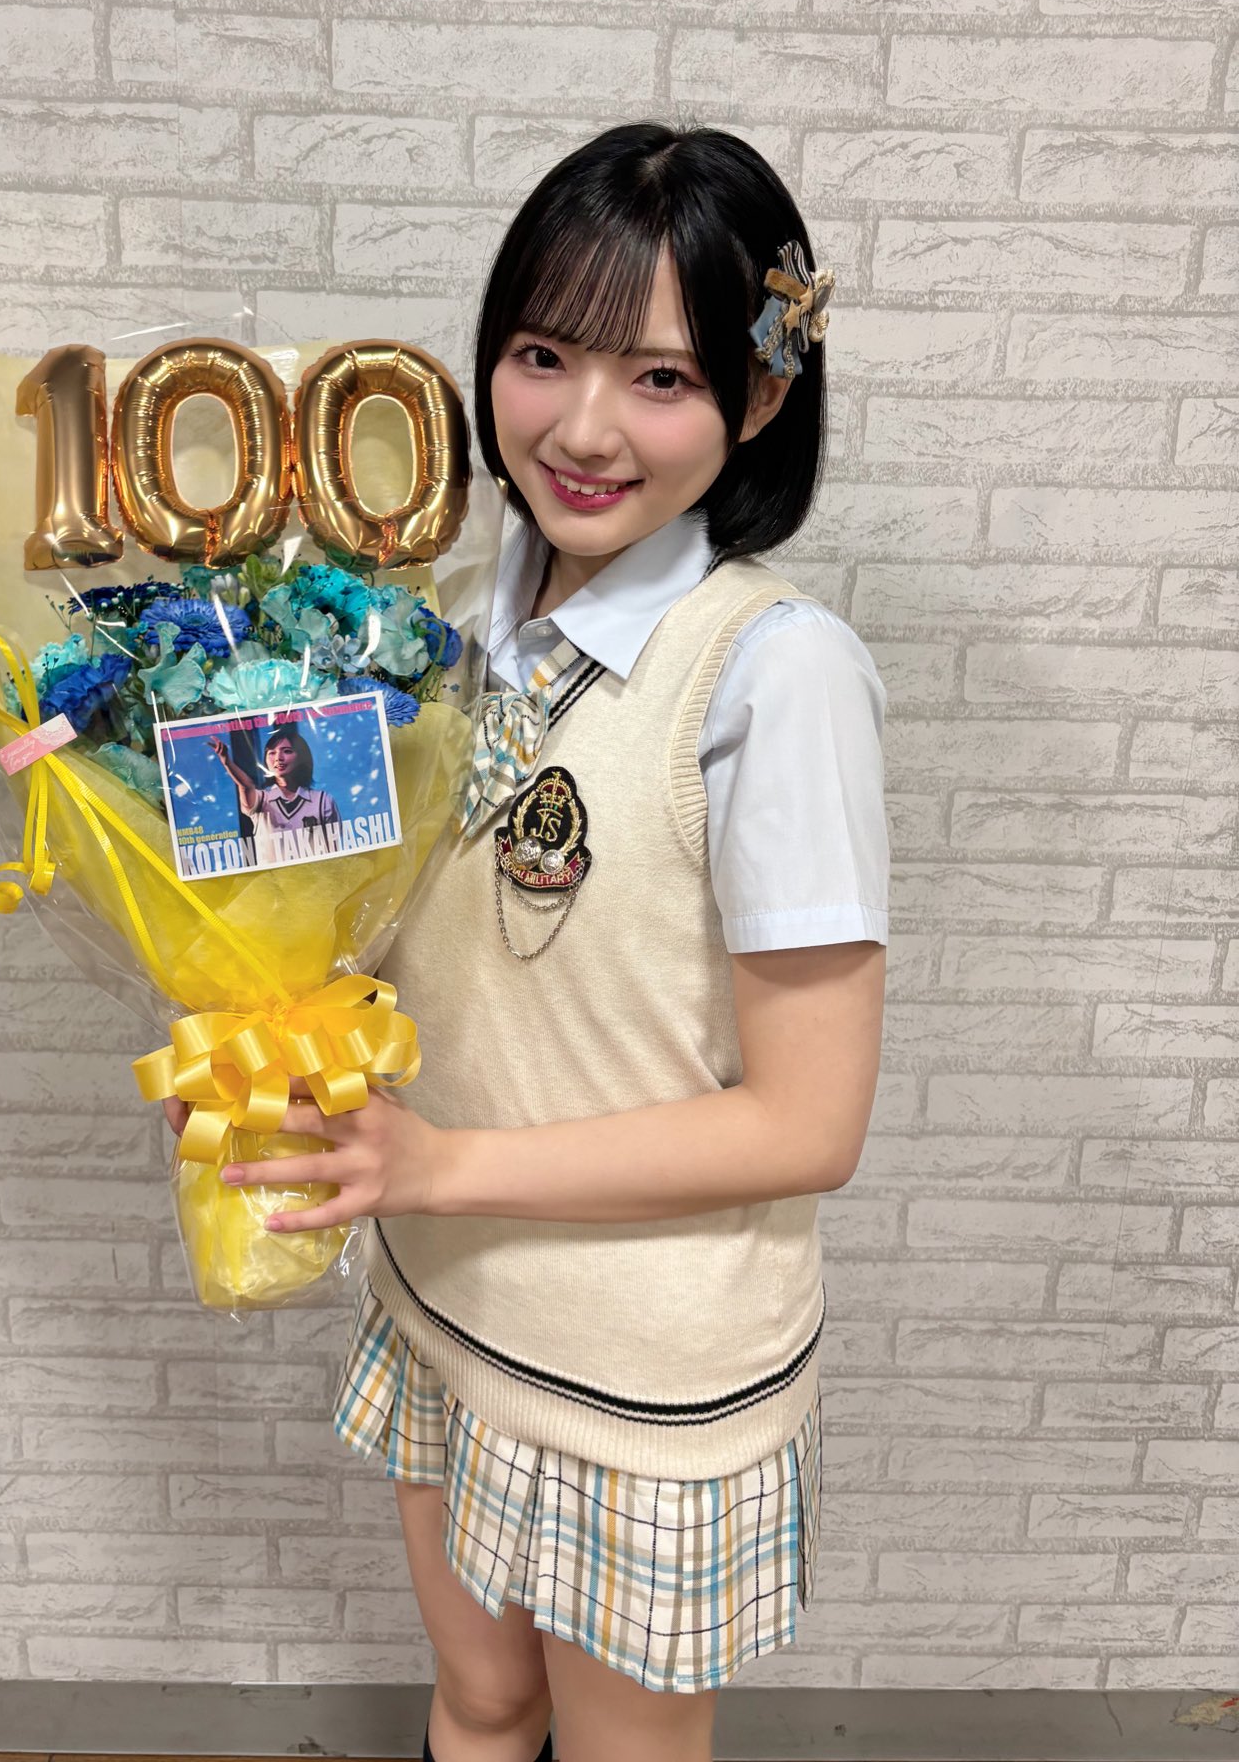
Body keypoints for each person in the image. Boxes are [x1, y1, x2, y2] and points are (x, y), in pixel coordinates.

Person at [165, 124, 889, 1762]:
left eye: (661, 378)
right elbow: (421, 938)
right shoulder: (449, 617)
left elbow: (807, 1124)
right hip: (450, 1299)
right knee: (482, 1703)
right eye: (545, 354)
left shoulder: (774, 675)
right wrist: (258, 1034)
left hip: (639, 1380)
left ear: (761, 396)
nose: (580, 426)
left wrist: (437, 1166)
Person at [209, 724, 340, 857]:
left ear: (301, 756)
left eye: (287, 751)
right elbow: (246, 785)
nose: (278, 757)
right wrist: (227, 762)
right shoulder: (261, 800)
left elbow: (334, 850)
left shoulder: (322, 801)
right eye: (272, 752)